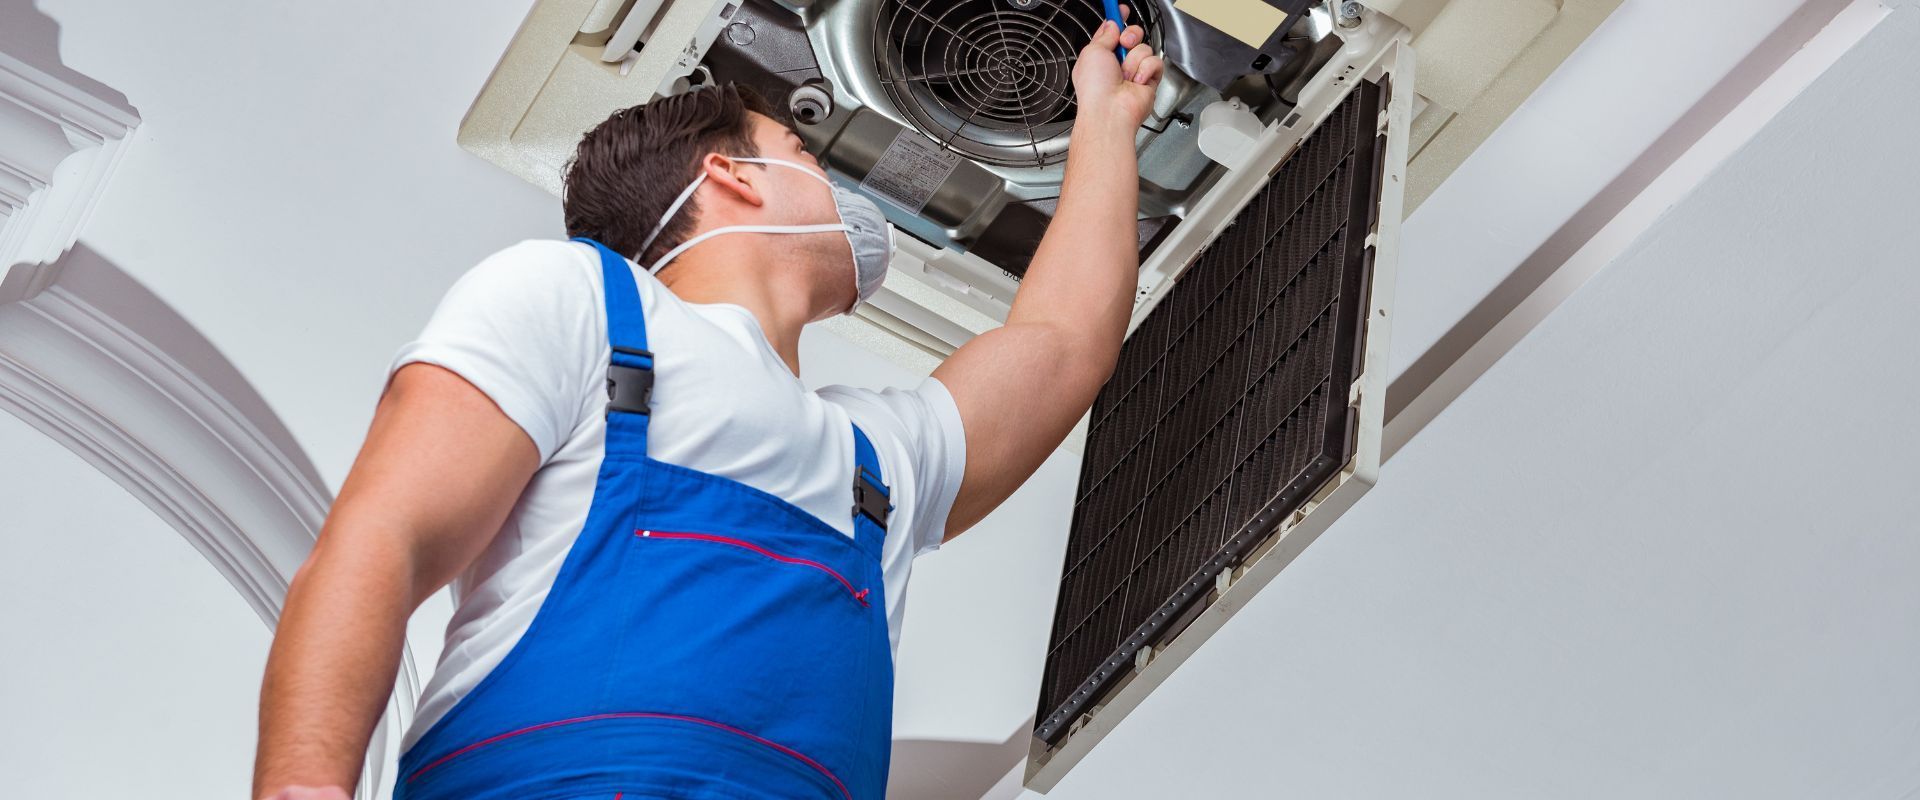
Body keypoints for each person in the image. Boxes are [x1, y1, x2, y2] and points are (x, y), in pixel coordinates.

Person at [254, 16, 1163, 800]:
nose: (843, 197)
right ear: (728, 176)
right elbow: (381, 542)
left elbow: (1064, 345)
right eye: (804, 153)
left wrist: (1107, 120)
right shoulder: (581, 302)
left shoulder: (876, 459)